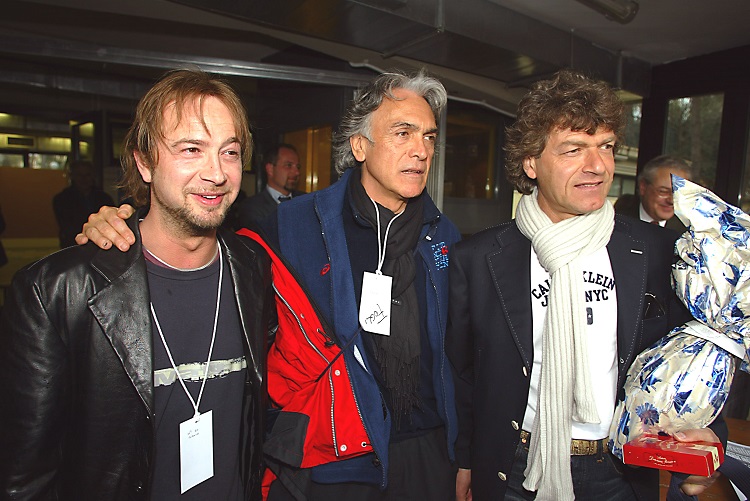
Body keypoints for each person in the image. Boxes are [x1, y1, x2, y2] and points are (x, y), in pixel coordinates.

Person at [74, 68, 461, 501]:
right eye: (403, 133)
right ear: (359, 145)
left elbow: (459, 353)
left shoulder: (444, 236)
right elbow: (193, 239)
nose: (421, 150)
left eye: (429, 137)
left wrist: (463, 452)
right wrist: (120, 225)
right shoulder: (292, 225)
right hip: (334, 457)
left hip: (427, 450)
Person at [446, 69, 726, 501]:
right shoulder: (479, 259)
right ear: (531, 162)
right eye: (574, 149)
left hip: (620, 467)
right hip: (516, 465)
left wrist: (710, 440)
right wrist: (466, 457)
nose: (597, 166)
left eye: (606, 147)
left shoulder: (657, 251)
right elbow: (464, 374)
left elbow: (697, 355)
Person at [0, 68, 272, 500]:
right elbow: (25, 476)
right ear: (144, 162)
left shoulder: (254, 268)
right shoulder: (59, 291)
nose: (216, 173)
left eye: (230, 152)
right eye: (190, 149)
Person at [615, 154, 694, 231]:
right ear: (643, 187)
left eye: (678, 193)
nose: (671, 200)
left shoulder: (689, 231)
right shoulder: (617, 219)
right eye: (663, 191)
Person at [235, 143, 304, 228]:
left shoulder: (306, 201)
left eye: (298, 167)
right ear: (270, 169)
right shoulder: (252, 207)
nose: (297, 172)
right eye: (288, 165)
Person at [52, 159, 115, 248]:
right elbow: (67, 227)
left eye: (87, 175)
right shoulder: (62, 199)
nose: (83, 179)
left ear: (93, 176)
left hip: (100, 247)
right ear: (72, 176)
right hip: (72, 248)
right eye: (79, 175)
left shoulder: (104, 198)